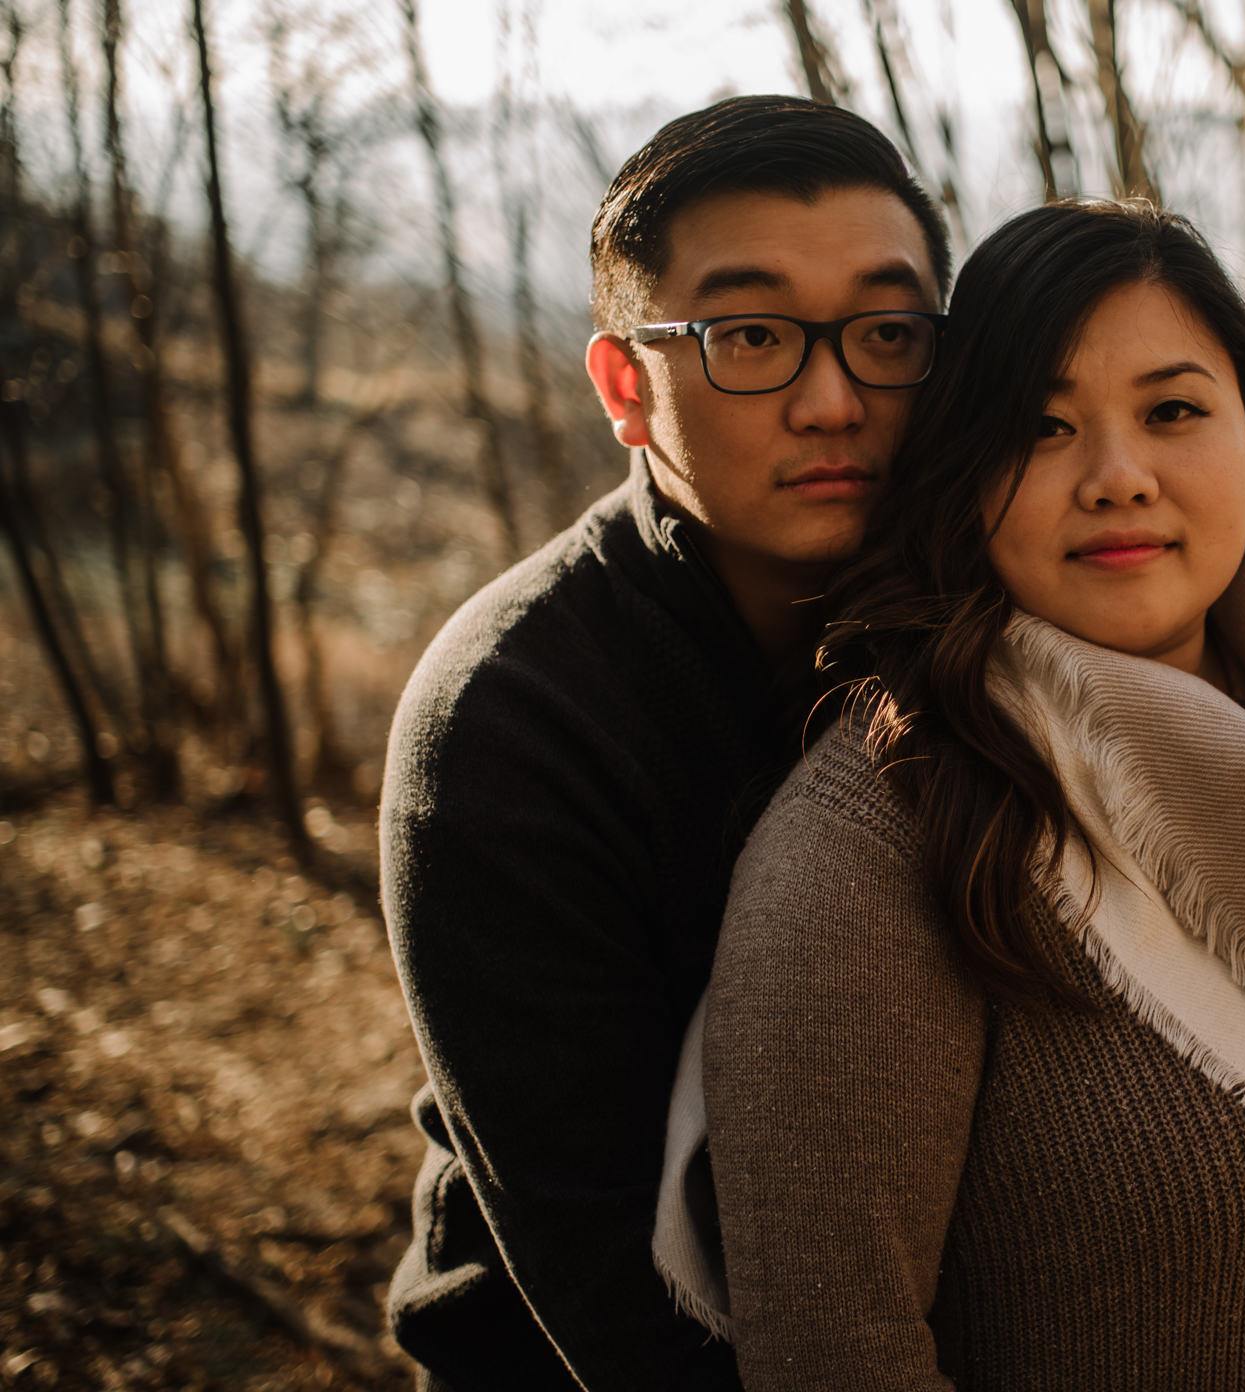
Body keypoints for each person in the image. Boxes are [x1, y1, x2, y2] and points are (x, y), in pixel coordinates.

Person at [667, 200, 1245, 1388]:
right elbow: (836, 1354)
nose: (1119, 478)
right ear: (964, 481)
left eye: (1173, 411)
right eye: (1042, 428)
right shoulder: (873, 851)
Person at [379, 95, 950, 1390]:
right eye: (751, 334)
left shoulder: (975, 629)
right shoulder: (511, 721)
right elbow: (612, 1292)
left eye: (886, 334)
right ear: (627, 386)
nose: (832, 398)